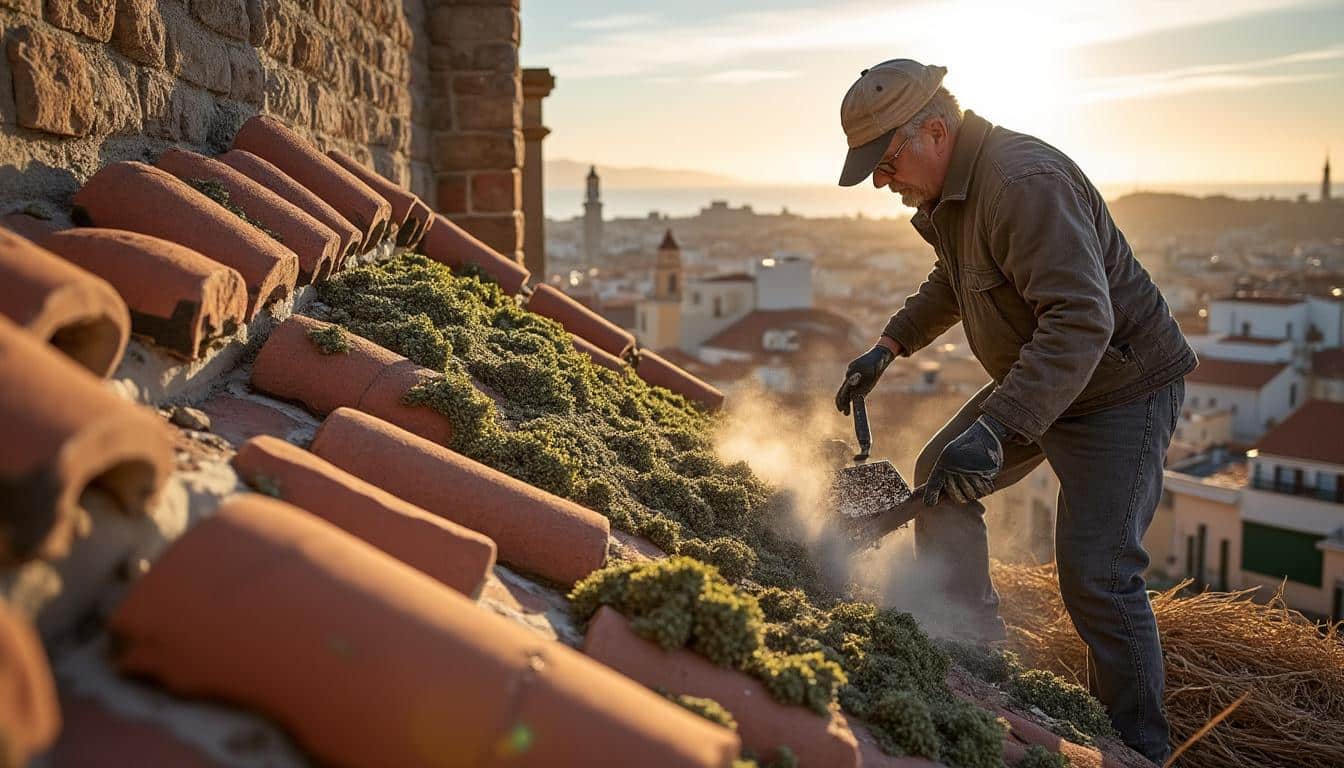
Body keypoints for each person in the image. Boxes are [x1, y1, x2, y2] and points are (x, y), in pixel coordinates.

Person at [832, 59, 1197, 765]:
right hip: (1051, 375)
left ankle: (1139, 749)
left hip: (1119, 387)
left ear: (934, 131)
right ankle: (972, 652)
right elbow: (954, 277)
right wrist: (889, 344)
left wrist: (998, 430)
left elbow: (1081, 321)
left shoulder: (1022, 183)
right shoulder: (957, 193)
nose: (881, 179)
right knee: (939, 470)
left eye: (887, 160)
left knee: (1098, 572)